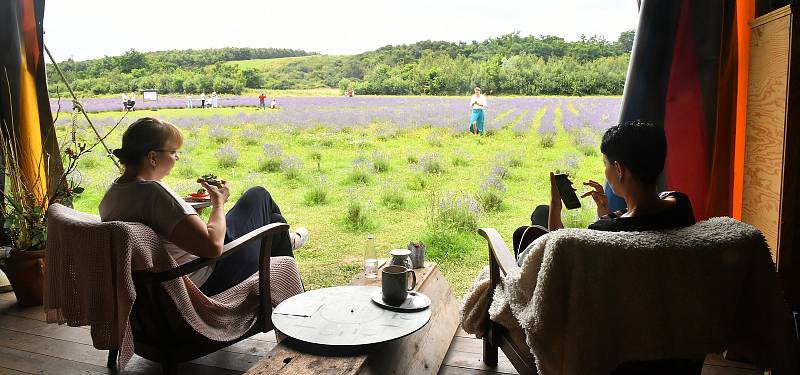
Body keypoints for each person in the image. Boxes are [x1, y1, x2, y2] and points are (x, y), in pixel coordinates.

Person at [99, 117, 310, 296]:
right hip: (206, 278)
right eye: (173, 152)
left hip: (162, 284)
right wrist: (218, 203)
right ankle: (285, 253)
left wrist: (189, 213)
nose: (177, 157)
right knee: (259, 195)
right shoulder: (153, 192)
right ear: (153, 157)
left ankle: (281, 238)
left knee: (276, 223)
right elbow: (212, 247)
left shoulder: (113, 194)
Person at [514, 120, 695, 259]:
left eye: (605, 164)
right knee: (539, 214)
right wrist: (606, 213)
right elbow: (642, 219)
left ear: (618, 169)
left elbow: (558, 252)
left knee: (523, 232)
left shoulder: (601, 231)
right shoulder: (681, 204)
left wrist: (555, 205)